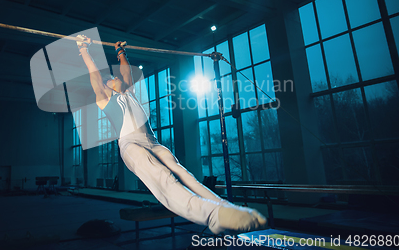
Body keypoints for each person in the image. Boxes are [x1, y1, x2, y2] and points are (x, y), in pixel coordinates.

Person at [76, 35, 267, 234]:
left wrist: (120, 52)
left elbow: (125, 70)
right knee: (163, 176)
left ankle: (225, 207)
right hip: (130, 145)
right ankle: (212, 215)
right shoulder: (105, 100)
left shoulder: (129, 92)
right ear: (108, 87)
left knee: (184, 175)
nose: (118, 78)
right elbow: (95, 77)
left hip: (153, 141)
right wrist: (83, 49)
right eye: (113, 79)